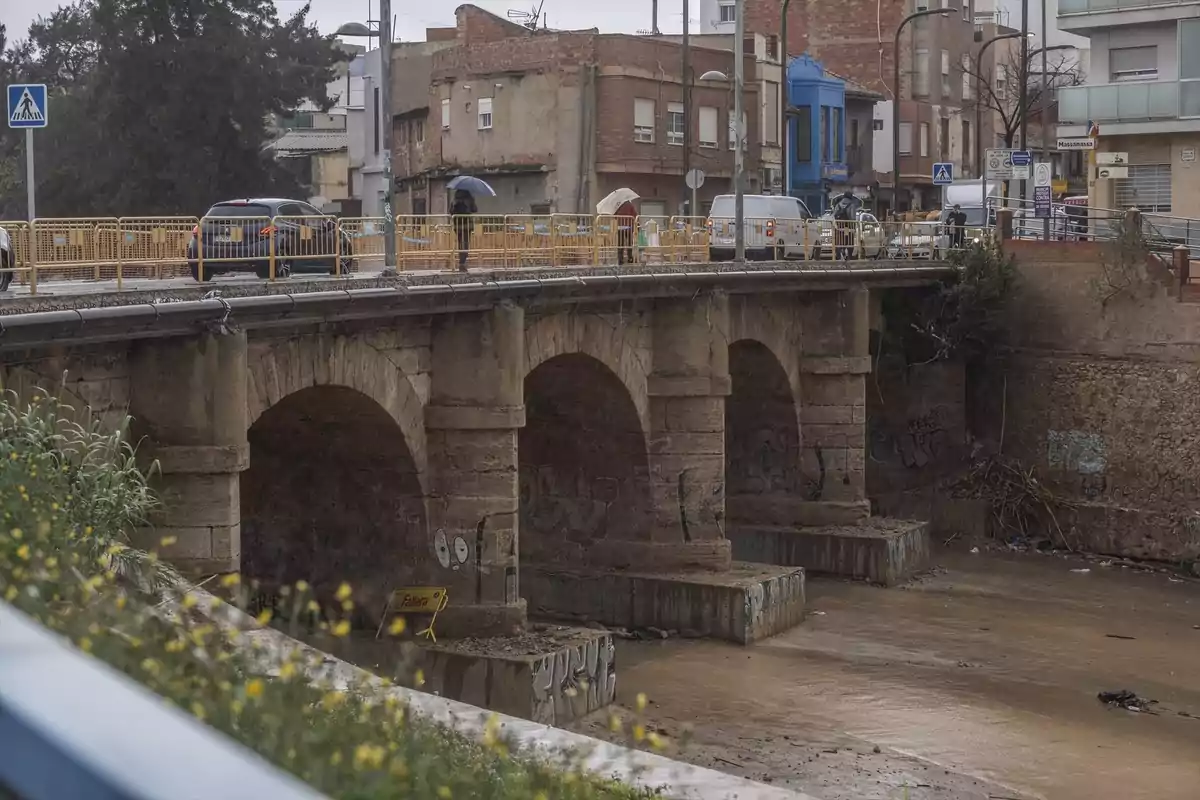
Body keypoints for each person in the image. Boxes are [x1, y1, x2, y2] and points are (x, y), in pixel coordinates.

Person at [450, 189, 477, 271]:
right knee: (465, 244)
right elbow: (475, 209)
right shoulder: (469, 199)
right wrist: (473, 200)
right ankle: (462, 263)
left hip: (458, 225)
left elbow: (450, 211)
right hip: (467, 226)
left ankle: (461, 262)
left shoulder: (454, 200)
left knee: (460, 244)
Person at [832, 191, 855, 260]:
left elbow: (834, 215)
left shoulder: (838, 205)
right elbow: (853, 217)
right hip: (848, 227)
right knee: (849, 241)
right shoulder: (851, 205)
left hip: (839, 227)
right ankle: (849, 255)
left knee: (840, 240)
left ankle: (840, 252)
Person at [615, 199, 637, 265]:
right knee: (629, 243)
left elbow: (615, 216)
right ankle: (630, 258)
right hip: (628, 227)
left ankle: (620, 259)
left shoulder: (618, 205)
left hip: (620, 227)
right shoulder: (630, 205)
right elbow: (635, 215)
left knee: (620, 243)